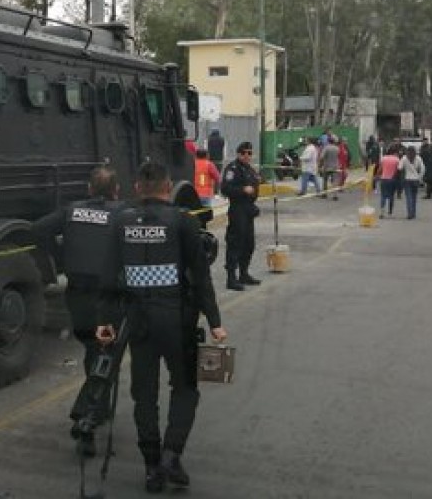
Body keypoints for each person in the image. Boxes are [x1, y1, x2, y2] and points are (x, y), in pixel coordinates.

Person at [96, 162, 227, 494]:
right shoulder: (183, 221)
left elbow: (108, 277)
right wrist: (215, 322)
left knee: (144, 393)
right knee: (185, 388)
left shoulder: (120, 221)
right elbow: (200, 276)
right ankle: (171, 454)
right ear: (168, 187)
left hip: (137, 320)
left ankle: (152, 466)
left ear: (137, 187)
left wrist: (104, 323)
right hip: (177, 319)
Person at [33, 165, 124, 456]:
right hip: (107, 299)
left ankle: (100, 406)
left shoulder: (72, 211)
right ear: (115, 190)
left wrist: (61, 256)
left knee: (94, 350)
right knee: (107, 354)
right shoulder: (122, 213)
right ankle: (86, 416)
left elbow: (37, 230)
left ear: (88, 189)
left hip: (77, 297)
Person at [220, 141, 262, 291]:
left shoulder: (250, 169)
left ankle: (244, 273)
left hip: (248, 209)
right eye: (244, 153)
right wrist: (243, 189)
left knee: (249, 244)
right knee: (235, 243)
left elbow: (255, 185)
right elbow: (225, 188)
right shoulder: (233, 168)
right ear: (238, 154)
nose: (247, 156)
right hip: (237, 209)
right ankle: (231, 278)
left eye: (249, 153)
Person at [398, 146, 425, 219]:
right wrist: (420, 177)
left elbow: (399, 168)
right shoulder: (418, 158)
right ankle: (413, 213)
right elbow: (422, 169)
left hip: (407, 179)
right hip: (416, 179)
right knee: (414, 197)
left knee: (408, 197)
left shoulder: (404, 158)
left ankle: (409, 213)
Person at [378, 146, 401, 218]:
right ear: (395, 153)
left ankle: (382, 212)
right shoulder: (397, 160)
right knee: (391, 196)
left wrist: (378, 175)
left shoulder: (383, 158)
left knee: (383, 195)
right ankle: (390, 212)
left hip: (384, 179)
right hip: (392, 180)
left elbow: (380, 169)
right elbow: (399, 170)